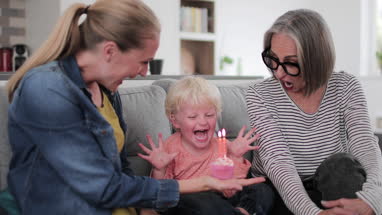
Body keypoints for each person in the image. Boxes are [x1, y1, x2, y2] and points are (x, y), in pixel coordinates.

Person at [5, 1, 265, 214]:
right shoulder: (46, 90)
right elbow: (102, 187)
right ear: (110, 51)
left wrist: (146, 209)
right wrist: (201, 182)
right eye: (143, 62)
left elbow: (120, 169)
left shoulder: (107, 92)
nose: (144, 73)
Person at [246, 8, 382, 215]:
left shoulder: (346, 86)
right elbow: (278, 162)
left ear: (315, 60)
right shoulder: (259, 94)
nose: (279, 72)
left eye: (291, 63)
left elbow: (365, 146)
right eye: (273, 59)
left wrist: (372, 201)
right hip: (281, 191)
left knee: (342, 166)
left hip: (331, 185)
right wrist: (313, 213)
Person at [138, 76, 266, 215]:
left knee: (261, 189)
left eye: (209, 115)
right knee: (203, 202)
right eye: (193, 117)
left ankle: (241, 212)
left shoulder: (223, 145)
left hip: (224, 199)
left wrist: (235, 157)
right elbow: (162, 195)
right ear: (175, 121)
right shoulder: (170, 149)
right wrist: (159, 170)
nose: (203, 122)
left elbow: (233, 187)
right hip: (192, 201)